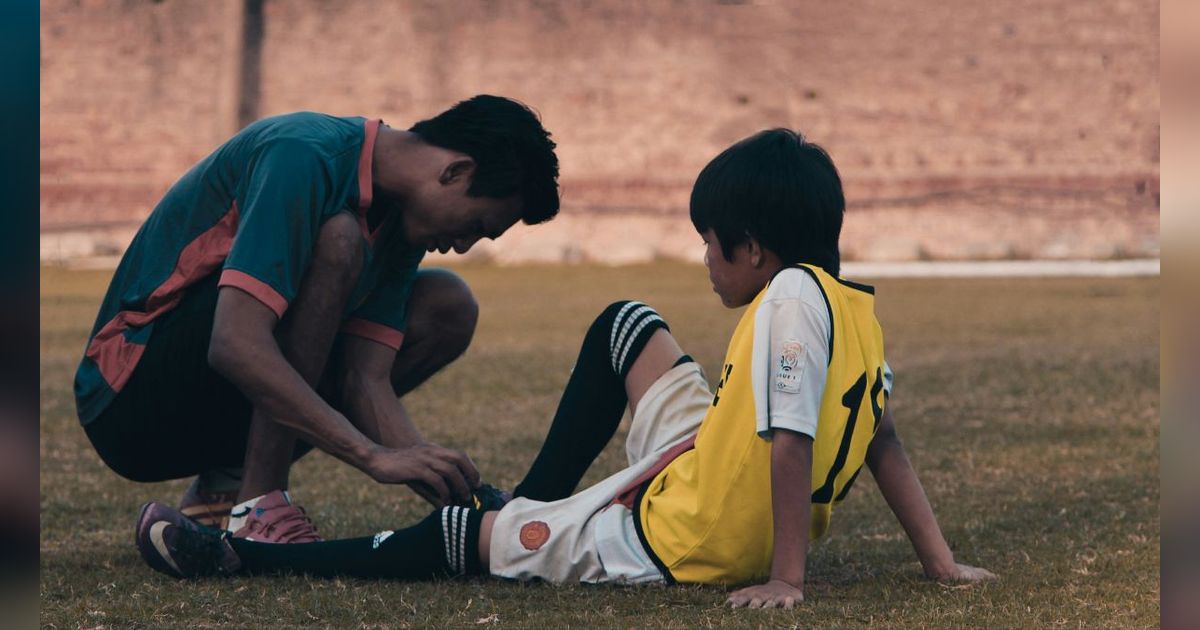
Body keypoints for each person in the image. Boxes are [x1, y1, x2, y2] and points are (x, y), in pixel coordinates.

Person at [135, 128, 994, 607]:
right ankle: (537, 502)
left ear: (754, 249)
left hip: (687, 533)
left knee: (467, 542)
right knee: (626, 325)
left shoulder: (786, 305)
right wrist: (940, 562)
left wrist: (785, 579)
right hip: (706, 457)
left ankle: (240, 561)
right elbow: (882, 439)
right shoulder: (852, 305)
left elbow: (793, 444)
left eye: (710, 244)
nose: (704, 259)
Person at [78, 95, 560, 543]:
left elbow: (364, 379)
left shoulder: (400, 223)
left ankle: (223, 489)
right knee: (339, 238)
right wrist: (370, 456)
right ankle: (259, 505)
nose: (462, 246)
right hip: (129, 399)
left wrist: (460, 497)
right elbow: (233, 342)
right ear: (455, 170)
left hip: (206, 414)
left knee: (448, 304)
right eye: (476, 226)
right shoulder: (302, 153)